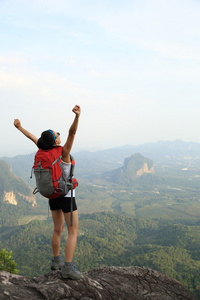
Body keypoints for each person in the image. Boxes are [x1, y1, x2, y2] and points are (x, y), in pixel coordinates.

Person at [14, 105, 81, 280]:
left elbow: (32, 137)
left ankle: (56, 261)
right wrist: (77, 117)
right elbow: (72, 133)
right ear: (56, 141)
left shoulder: (42, 150)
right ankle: (67, 267)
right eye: (57, 134)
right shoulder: (63, 152)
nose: (60, 134)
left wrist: (19, 127)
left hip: (52, 196)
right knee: (73, 232)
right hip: (66, 196)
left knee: (57, 230)